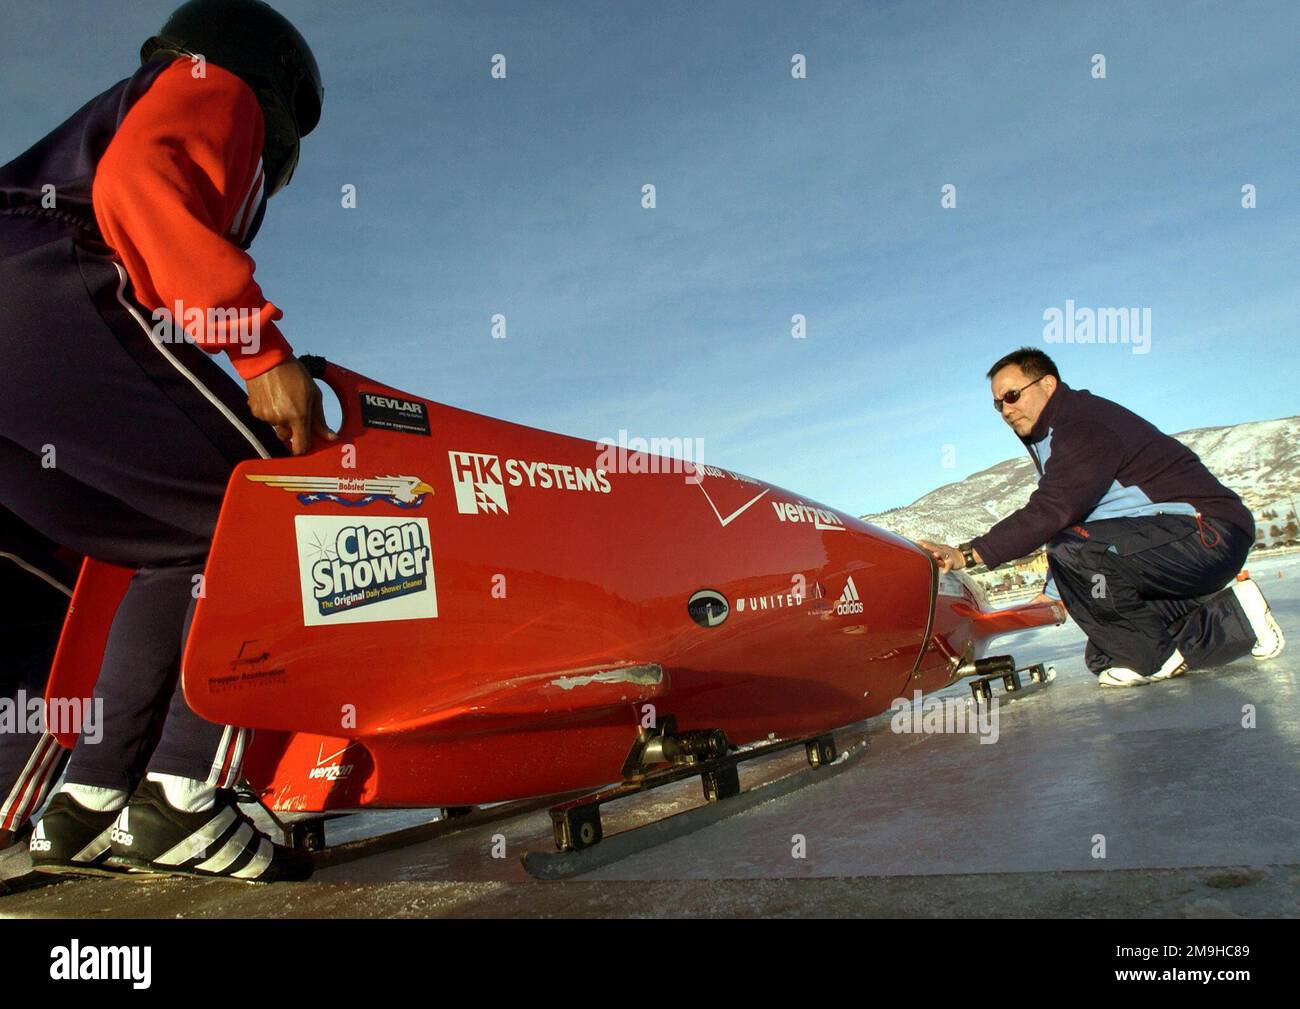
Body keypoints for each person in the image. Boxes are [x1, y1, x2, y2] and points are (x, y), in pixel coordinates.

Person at [0, 0, 336, 880]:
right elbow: (138, 189)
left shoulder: (114, 109)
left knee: (162, 548)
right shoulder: (211, 85)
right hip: (45, 290)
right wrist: (259, 349)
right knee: (284, 510)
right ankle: (188, 794)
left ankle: (83, 803)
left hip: (17, 333)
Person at [918, 348, 1284, 687]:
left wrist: (967, 554)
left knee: (1086, 570)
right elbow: (1081, 518)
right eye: (998, 405)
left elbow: (1054, 511)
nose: (1006, 410)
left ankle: (1156, 662)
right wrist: (1053, 592)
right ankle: (1239, 618)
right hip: (1170, 541)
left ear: (1047, 384)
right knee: (1106, 653)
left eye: (1011, 396)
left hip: (1207, 532)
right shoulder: (1055, 435)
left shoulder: (1081, 424)